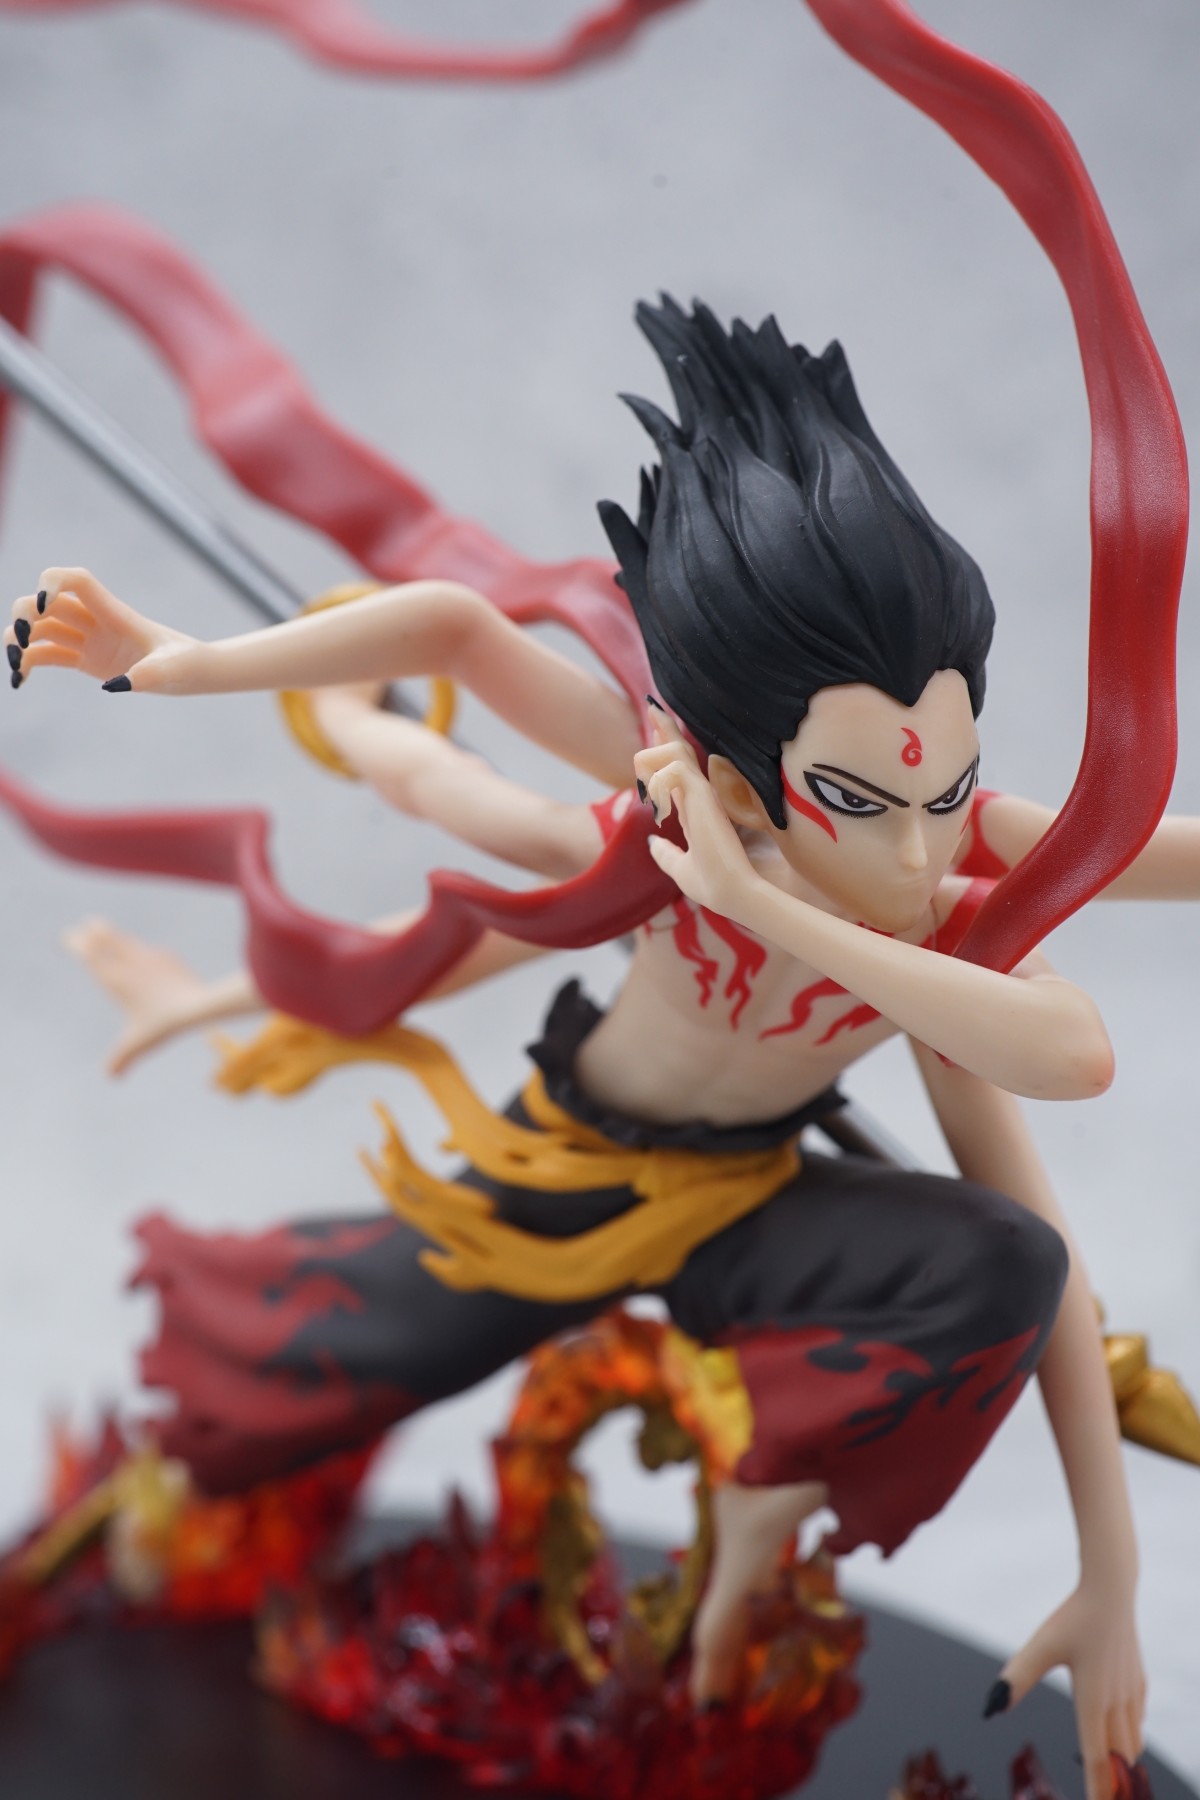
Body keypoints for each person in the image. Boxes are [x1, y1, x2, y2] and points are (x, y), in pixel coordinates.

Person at [7, 298, 1171, 1796]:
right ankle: (133, 1519)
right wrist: (178, 662)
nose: (918, 851)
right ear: (738, 776)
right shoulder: (657, 828)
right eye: (860, 800)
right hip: (557, 1185)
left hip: (756, 1212)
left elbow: (1068, 1097)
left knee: (994, 1264)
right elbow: (453, 660)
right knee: (297, 1372)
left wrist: (1112, 1571)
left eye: (951, 793)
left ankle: (751, 1538)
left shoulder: (938, 935)